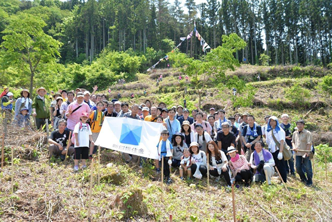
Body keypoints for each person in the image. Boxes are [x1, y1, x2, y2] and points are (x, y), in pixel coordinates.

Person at [266, 116, 287, 183]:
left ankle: (284, 180)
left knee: (281, 166)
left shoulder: (280, 130)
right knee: (276, 165)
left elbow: (282, 142)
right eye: (270, 121)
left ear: (276, 122)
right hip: (272, 150)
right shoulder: (270, 130)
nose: (272, 123)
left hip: (278, 150)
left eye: (273, 121)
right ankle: (280, 178)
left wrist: (280, 152)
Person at [292, 120, 313, 186]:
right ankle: (303, 178)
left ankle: (309, 181)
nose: (299, 126)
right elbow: (293, 141)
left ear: (303, 125)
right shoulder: (295, 133)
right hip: (298, 153)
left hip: (305, 153)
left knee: (307, 167)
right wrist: (294, 147)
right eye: (298, 124)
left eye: (301, 124)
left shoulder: (307, 133)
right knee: (298, 167)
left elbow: (309, 143)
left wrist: (307, 152)